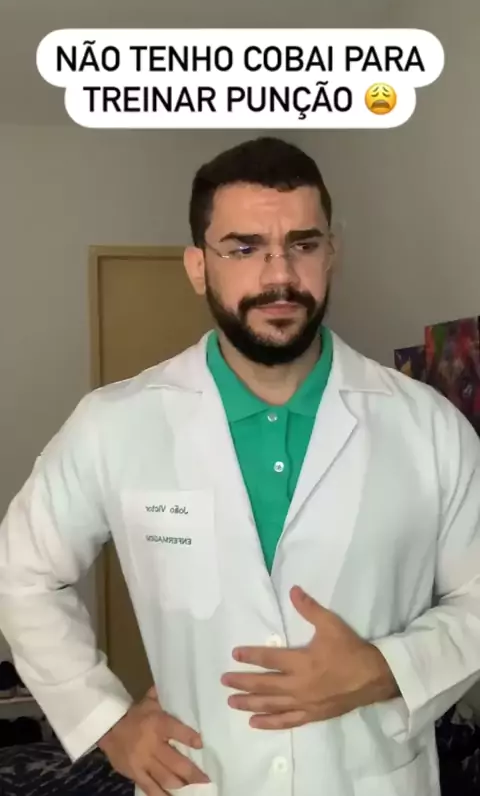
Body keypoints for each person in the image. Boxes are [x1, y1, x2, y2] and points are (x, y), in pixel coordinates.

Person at [0, 136, 479, 796]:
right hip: (202, 780)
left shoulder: (428, 427)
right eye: (244, 248)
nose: (279, 276)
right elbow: (20, 575)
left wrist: (385, 669)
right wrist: (106, 722)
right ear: (198, 267)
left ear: (331, 254)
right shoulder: (114, 424)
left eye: (302, 244)